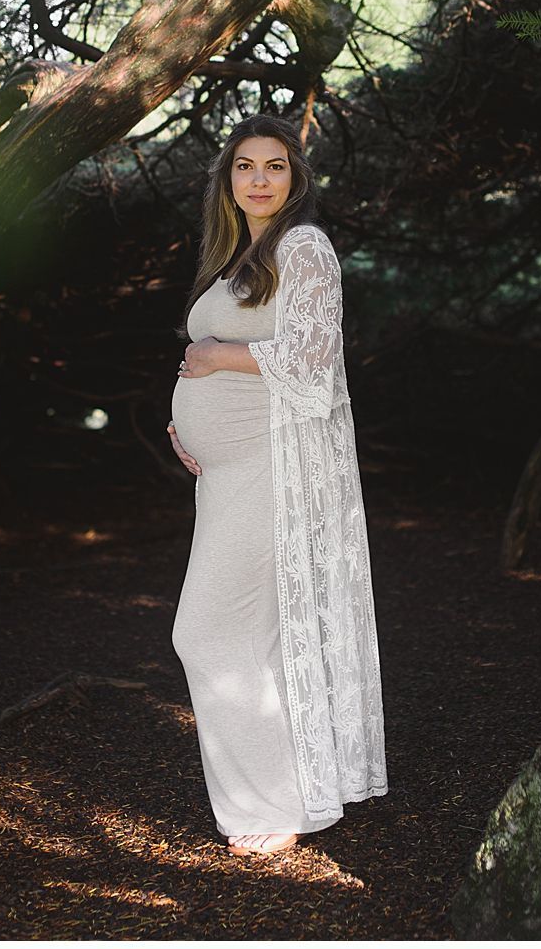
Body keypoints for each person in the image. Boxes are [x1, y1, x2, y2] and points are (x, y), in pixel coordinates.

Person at [168, 114, 388, 857]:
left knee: (206, 633)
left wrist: (217, 355)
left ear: (295, 180)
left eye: (275, 167)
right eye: (244, 167)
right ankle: (286, 791)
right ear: (227, 181)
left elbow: (315, 360)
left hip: (274, 466)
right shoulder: (238, 255)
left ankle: (274, 802)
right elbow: (216, 359)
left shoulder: (304, 246)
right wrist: (186, 422)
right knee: (247, 634)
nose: (259, 179)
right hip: (227, 471)